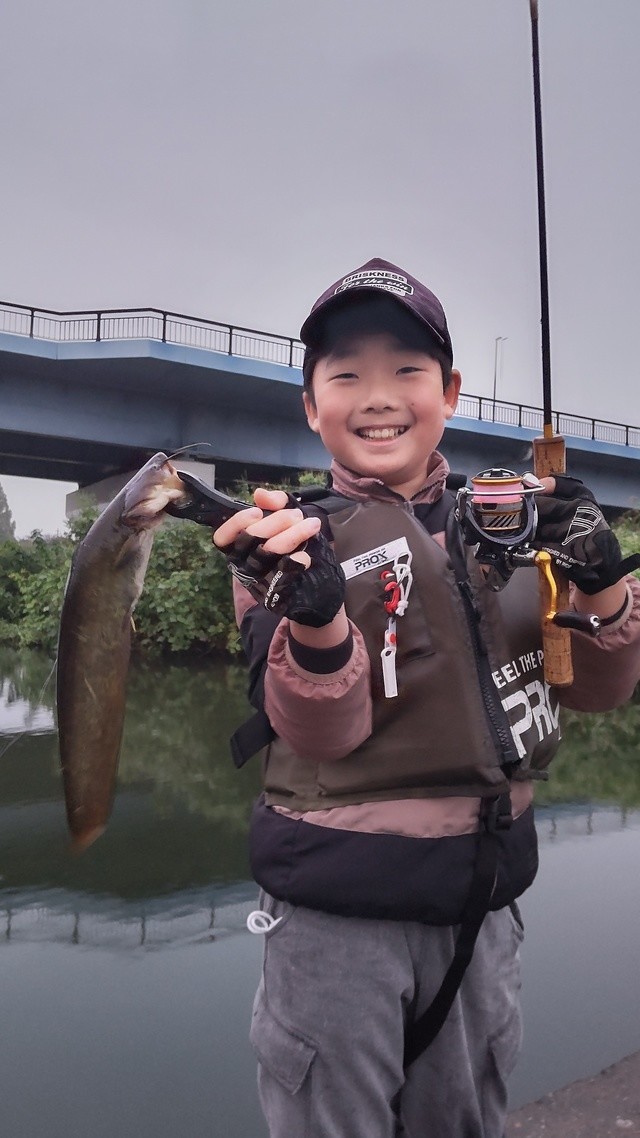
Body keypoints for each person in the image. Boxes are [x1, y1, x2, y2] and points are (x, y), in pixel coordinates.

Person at [213, 257, 640, 1138]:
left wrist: (600, 583)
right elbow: (319, 731)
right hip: (335, 932)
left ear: (448, 391)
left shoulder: (518, 521)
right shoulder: (285, 538)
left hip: (483, 915)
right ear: (309, 405)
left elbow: (604, 688)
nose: (378, 395)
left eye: (407, 370)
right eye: (346, 375)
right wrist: (319, 614)